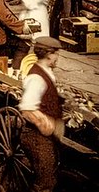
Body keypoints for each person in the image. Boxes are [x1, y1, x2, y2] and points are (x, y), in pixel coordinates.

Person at [16, 36, 64, 192]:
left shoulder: (46, 71)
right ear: (49, 54)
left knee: (51, 173)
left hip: (45, 136)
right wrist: (45, 122)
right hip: (35, 137)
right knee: (45, 183)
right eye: (56, 53)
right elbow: (27, 108)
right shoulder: (36, 77)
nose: (58, 58)